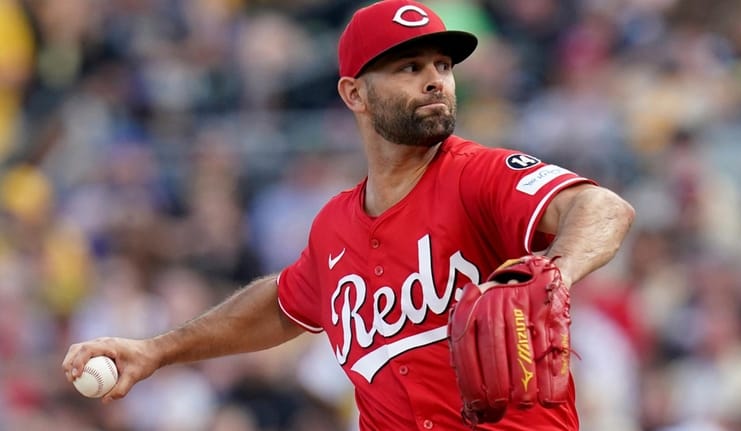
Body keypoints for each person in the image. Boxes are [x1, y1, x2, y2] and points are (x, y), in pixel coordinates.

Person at [62, 1, 635, 430]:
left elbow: (602, 208)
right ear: (354, 94)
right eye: (408, 67)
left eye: (443, 64)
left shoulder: (478, 175)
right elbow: (283, 304)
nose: (435, 79)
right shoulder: (335, 225)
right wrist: (156, 350)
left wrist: (554, 270)